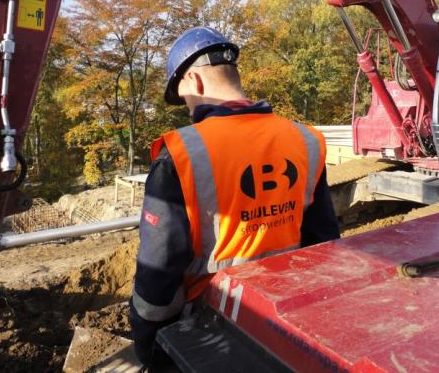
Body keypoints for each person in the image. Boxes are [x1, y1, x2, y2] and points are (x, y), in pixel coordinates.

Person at [130, 27, 340, 367]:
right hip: (290, 313)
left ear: (195, 82)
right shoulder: (306, 140)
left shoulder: (181, 153)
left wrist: (149, 344)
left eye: (183, 98)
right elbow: (325, 243)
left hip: (214, 322)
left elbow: (159, 273)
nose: (187, 109)